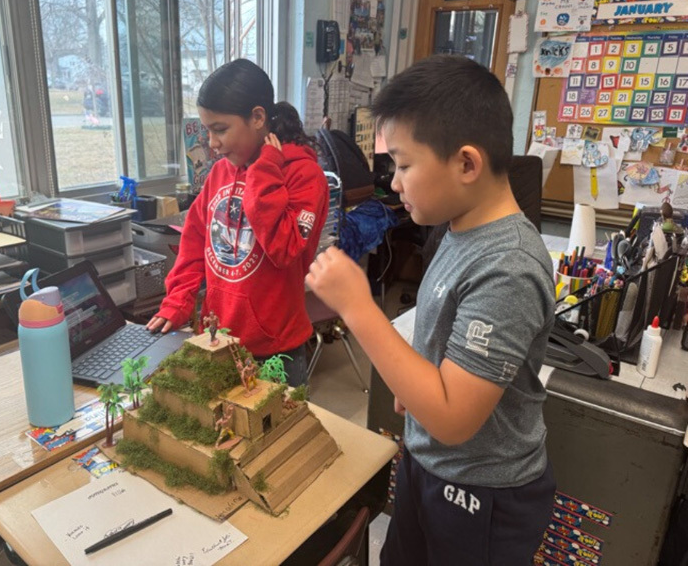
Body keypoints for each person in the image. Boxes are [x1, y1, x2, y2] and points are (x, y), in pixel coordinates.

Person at [306, 55, 556, 564]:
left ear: (466, 163)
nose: (393, 183)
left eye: (402, 164)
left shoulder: (508, 266)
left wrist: (357, 306)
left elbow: (453, 420)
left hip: (482, 494)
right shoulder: (457, 226)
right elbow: (442, 341)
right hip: (428, 465)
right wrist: (413, 383)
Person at [147, 59, 328, 388]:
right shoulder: (220, 172)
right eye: (208, 130)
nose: (212, 143)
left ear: (258, 118)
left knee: (277, 437)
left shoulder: (303, 175)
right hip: (218, 339)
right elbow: (194, 244)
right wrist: (178, 301)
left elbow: (285, 248)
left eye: (220, 129)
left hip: (276, 351)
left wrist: (265, 172)